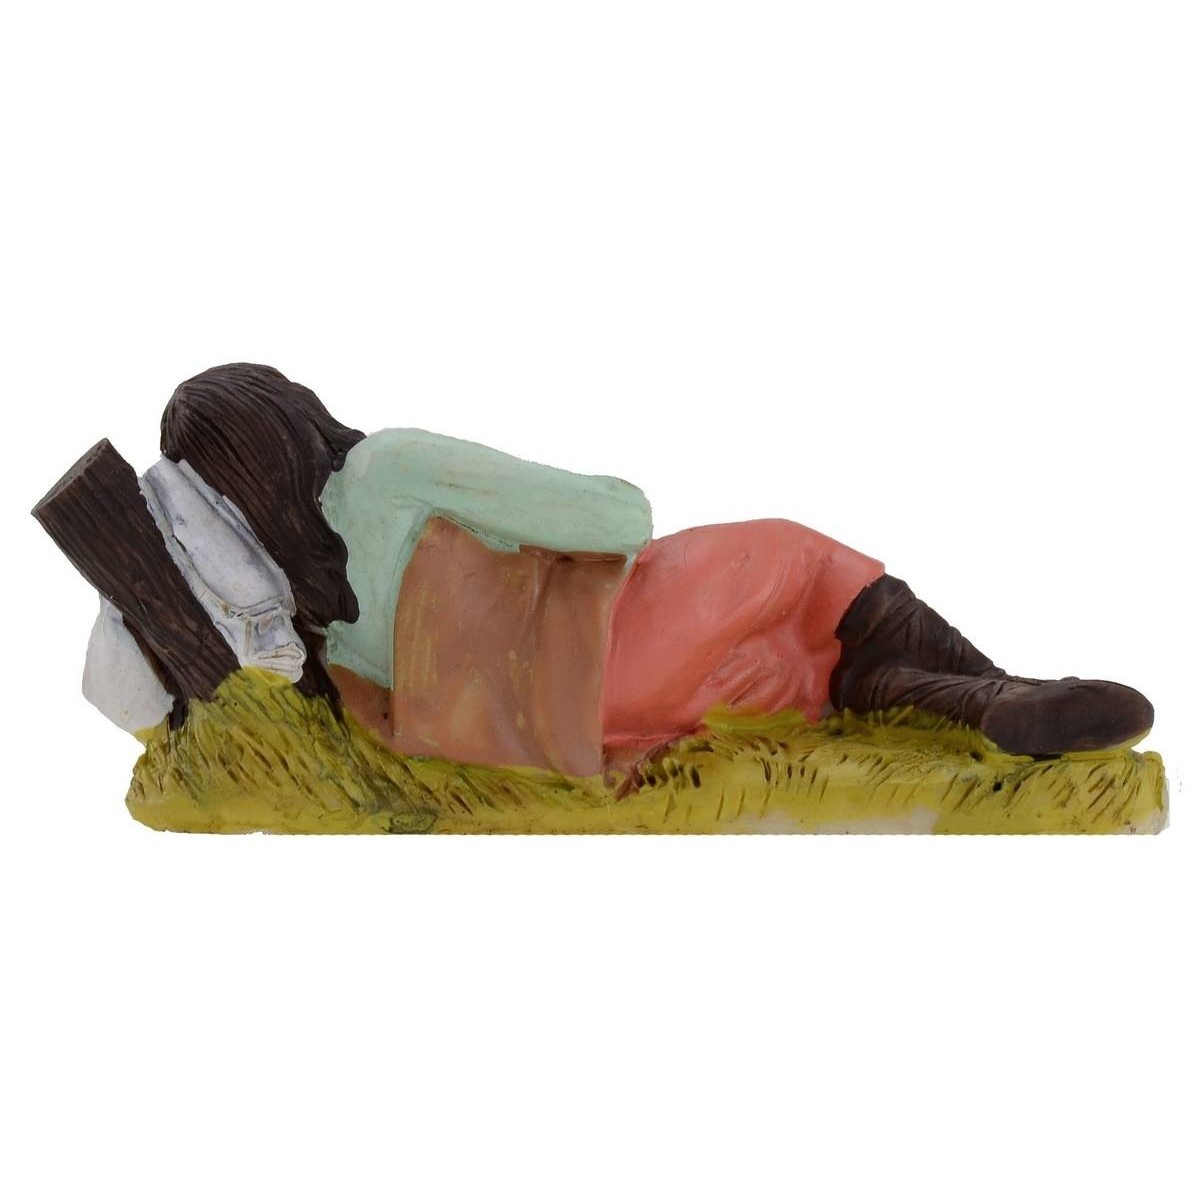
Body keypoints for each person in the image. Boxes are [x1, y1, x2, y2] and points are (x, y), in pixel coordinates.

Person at [91, 363, 1153, 766]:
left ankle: (961, 704)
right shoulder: (382, 472)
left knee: (797, 674)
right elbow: (617, 518)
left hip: (568, 722)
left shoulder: (301, 623)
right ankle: (998, 689)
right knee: (793, 556)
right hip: (610, 642)